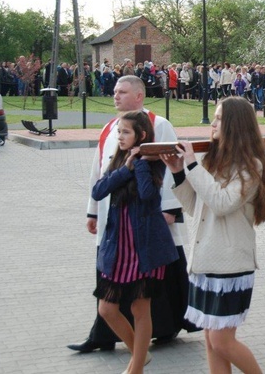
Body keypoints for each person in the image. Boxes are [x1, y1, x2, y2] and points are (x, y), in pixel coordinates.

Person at [69, 76, 197, 354]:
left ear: (139, 96)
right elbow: (99, 172)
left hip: (149, 220)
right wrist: (92, 211)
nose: (115, 96)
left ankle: (162, 330)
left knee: (149, 287)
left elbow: (170, 169)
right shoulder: (109, 128)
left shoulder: (158, 125)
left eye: (122, 91)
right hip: (114, 221)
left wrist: (170, 211)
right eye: (115, 91)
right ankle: (105, 336)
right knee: (111, 281)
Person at [160, 97, 265, 374]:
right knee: (211, 340)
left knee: (222, 341)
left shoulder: (251, 167)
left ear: (235, 124)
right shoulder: (214, 160)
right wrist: (178, 173)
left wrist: (193, 166)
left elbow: (222, 203)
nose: (212, 123)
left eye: (219, 118)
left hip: (230, 264)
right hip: (204, 260)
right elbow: (195, 207)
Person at [92, 111, 179, 374]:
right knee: (107, 308)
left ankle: (136, 368)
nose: (120, 136)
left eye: (125, 132)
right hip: (118, 248)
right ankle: (140, 355)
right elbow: (98, 191)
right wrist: (126, 166)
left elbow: (148, 195)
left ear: (141, 135)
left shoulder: (153, 161)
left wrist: (139, 162)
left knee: (140, 308)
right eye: (119, 131)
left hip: (146, 248)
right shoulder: (120, 159)